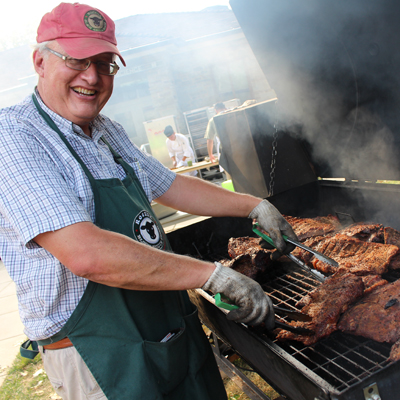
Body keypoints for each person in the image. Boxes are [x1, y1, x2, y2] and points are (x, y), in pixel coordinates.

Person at [0, 3, 297, 400]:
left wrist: (252, 205)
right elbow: (87, 255)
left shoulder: (106, 130)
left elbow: (169, 185)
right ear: (40, 61)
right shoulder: (16, 136)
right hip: (100, 353)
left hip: (169, 325)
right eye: (77, 60)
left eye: (105, 63)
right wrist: (212, 276)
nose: (92, 76)